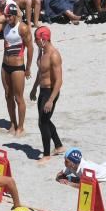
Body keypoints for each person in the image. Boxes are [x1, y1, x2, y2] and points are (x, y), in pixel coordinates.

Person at [28, 26, 63, 162]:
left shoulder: (54, 55)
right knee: (45, 120)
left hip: (50, 92)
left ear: (43, 39)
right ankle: (59, 146)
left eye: (36, 39)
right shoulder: (42, 52)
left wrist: (50, 100)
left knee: (42, 123)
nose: (35, 42)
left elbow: (59, 81)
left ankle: (47, 154)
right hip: (42, 91)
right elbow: (40, 72)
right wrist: (34, 88)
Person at [1, 5, 33, 137]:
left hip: (18, 66)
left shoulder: (23, 28)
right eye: (6, 16)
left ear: (15, 15)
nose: (7, 18)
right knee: (8, 95)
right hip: (5, 65)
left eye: (9, 16)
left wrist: (28, 68)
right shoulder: (5, 26)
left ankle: (21, 127)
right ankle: (13, 124)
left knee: (18, 98)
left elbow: (30, 48)